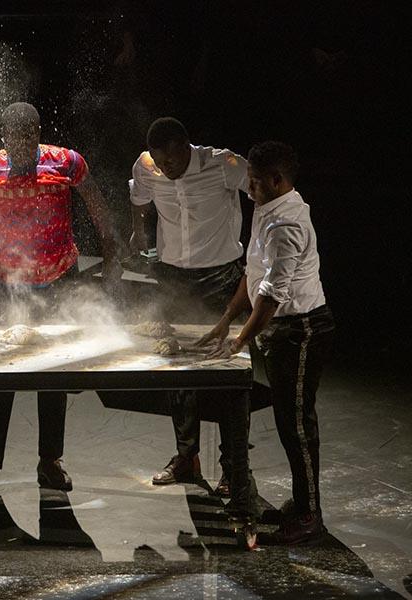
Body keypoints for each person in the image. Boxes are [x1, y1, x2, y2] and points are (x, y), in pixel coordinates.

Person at [0, 102, 122, 500]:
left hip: (59, 274)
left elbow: (96, 203)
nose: (20, 146)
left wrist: (112, 254)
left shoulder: (66, 162)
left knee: (56, 373)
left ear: (37, 133)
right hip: (9, 281)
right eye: (13, 139)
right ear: (3, 138)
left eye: (28, 137)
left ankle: (50, 461)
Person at [198, 140, 334, 544]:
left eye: (255, 182)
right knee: (288, 424)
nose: (249, 188)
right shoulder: (265, 208)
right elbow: (253, 274)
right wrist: (226, 320)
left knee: (297, 425)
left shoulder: (287, 223)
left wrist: (240, 340)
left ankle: (310, 514)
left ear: (277, 180)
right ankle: (303, 500)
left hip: (302, 329)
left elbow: (272, 295)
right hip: (281, 329)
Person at [129, 117, 248, 495]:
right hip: (174, 278)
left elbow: (262, 192)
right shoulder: (147, 165)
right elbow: (138, 198)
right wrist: (139, 233)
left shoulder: (224, 164)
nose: (167, 170)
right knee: (177, 373)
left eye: (173, 163)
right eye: (161, 164)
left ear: (186, 146)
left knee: (226, 373)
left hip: (221, 278)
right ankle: (186, 457)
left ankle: (233, 466)